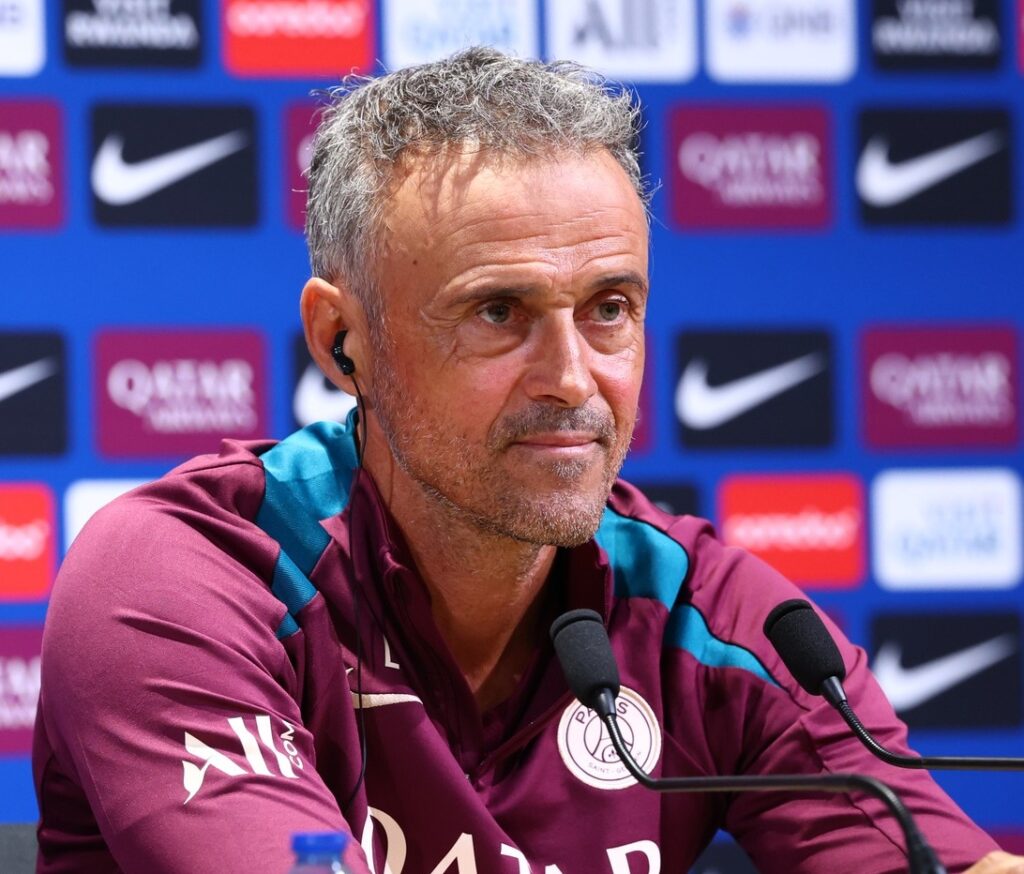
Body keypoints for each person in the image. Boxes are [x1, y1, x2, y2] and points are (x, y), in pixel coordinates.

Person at [33, 48, 1023, 874]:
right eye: (498, 312)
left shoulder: (703, 616)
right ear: (343, 342)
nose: (572, 379)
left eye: (608, 309)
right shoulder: (189, 580)